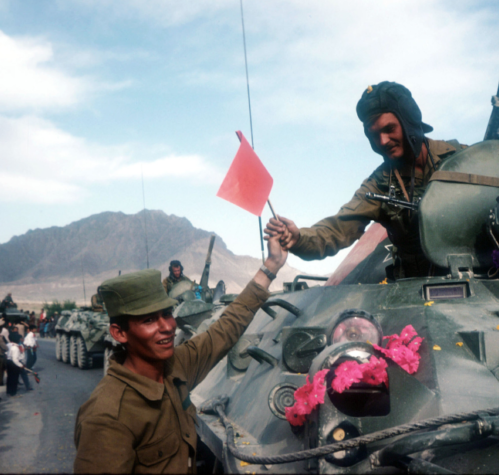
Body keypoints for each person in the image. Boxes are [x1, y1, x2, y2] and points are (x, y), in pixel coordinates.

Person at [73, 234, 288, 473]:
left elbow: (225, 328)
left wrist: (271, 266)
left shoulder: (176, 365)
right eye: (149, 320)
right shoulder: (106, 416)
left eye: (167, 313)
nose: (167, 326)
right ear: (119, 333)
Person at [265, 81, 466, 279]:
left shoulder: (465, 159)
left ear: (410, 121)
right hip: (415, 289)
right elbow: (337, 230)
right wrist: (299, 238)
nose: (383, 141)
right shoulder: (380, 185)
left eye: (389, 129)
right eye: (374, 135)